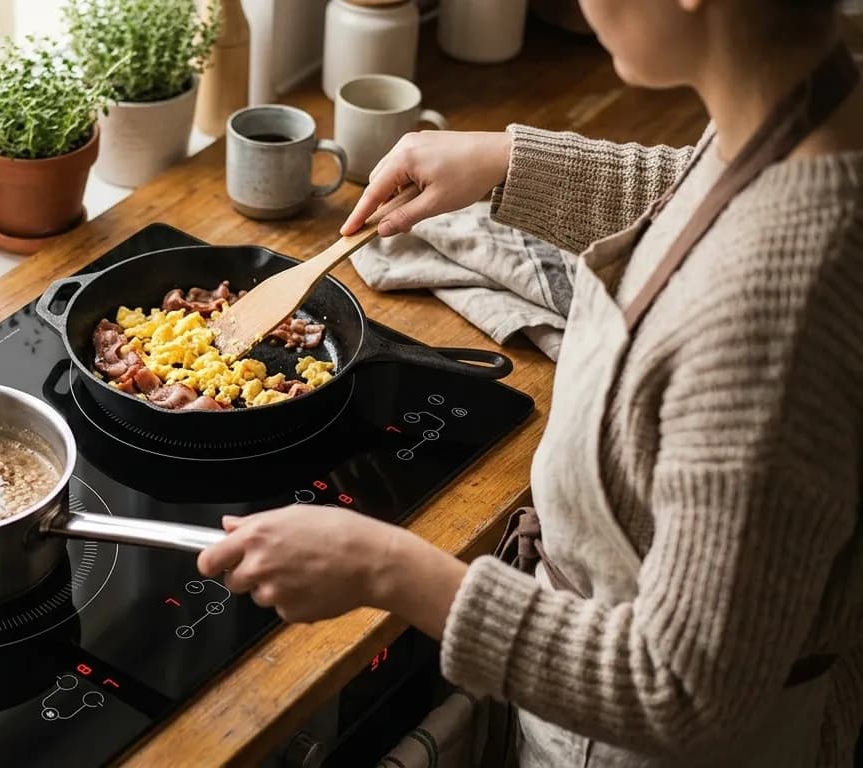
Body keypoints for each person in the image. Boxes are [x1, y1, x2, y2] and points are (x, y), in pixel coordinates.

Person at [196, 1, 863, 765]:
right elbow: (705, 193)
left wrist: (389, 568)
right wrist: (510, 160)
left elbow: (681, 692)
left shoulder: (776, 311)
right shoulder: (821, 103)